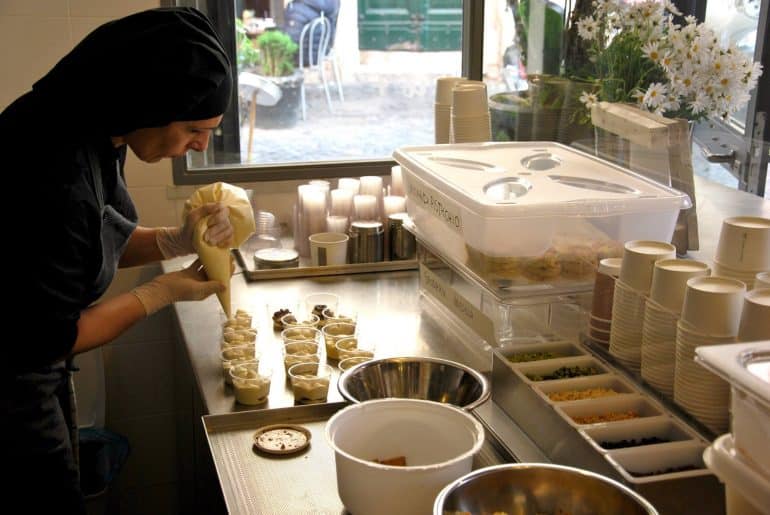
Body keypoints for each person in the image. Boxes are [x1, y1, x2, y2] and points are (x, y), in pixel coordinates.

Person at [0, 7, 235, 513]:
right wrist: (160, 292)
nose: (200, 144)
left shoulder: (102, 127)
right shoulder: (50, 168)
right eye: (194, 128)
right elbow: (48, 337)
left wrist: (177, 241)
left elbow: (86, 245)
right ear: (148, 103)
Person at [283, 0, 341, 65]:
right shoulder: (331, 3)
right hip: (322, 53)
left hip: (303, 58)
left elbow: (292, 40)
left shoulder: (297, 7)